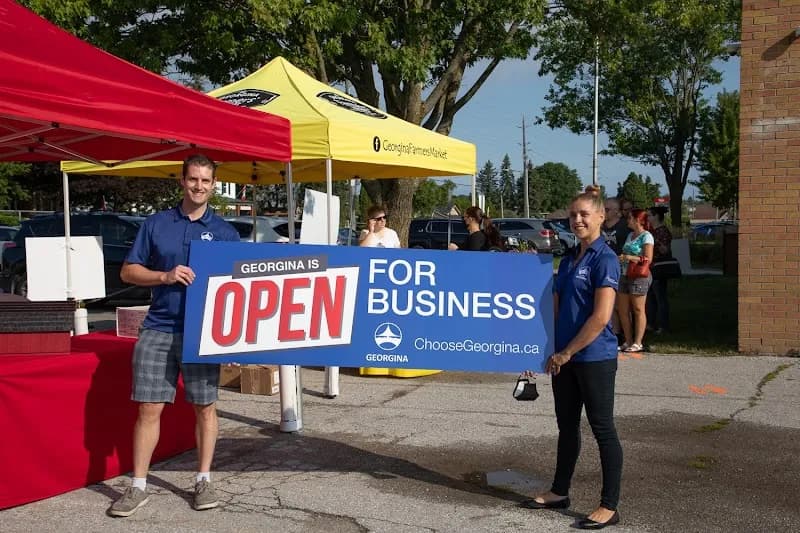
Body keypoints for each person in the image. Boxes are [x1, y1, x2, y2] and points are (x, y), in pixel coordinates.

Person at [108, 154, 240, 517]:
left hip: (203, 334)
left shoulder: (226, 232)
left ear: (214, 185)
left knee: (205, 407)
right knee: (149, 408)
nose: (199, 186)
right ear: (182, 181)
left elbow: (238, 290)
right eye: (193, 179)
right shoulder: (156, 224)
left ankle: (203, 479)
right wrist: (164, 276)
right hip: (159, 328)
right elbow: (128, 272)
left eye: (206, 181)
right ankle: (137, 486)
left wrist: (233, 339)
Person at [521, 185, 623, 530]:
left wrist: (568, 351)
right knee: (567, 427)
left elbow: (600, 317)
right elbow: (554, 307)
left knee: (602, 429)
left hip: (593, 357)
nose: (577, 220)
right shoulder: (567, 260)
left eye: (584, 214)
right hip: (563, 358)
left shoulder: (605, 259)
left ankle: (609, 505)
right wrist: (543, 349)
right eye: (573, 214)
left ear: (600, 217)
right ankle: (559, 491)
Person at [616, 209, 654, 353]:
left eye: (630, 218)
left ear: (638, 220)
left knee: (638, 309)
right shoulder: (630, 235)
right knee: (623, 310)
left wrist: (630, 258)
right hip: (624, 274)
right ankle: (628, 340)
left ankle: (638, 342)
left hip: (638, 275)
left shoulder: (647, 236)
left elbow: (648, 258)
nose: (628, 221)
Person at [646, 206, 672, 334]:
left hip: (659, 268)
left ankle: (663, 325)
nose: (648, 218)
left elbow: (665, 250)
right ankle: (650, 323)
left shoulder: (662, 232)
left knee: (660, 297)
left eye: (650, 215)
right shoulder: (651, 231)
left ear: (656, 216)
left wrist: (655, 242)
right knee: (650, 298)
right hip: (650, 268)